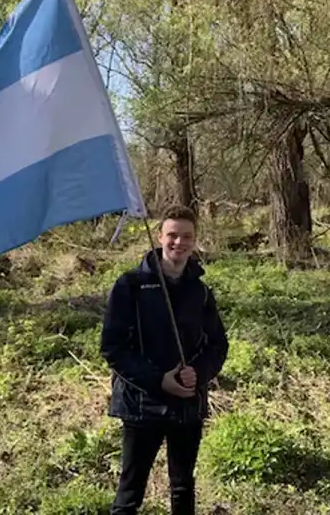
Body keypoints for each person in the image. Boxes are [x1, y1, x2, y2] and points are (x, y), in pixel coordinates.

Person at [100, 205, 230, 515]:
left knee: (183, 487)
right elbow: (113, 347)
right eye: (172, 235)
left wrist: (197, 374)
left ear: (195, 240)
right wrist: (159, 380)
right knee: (130, 493)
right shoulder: (130, 286)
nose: (179, 243)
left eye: (187, 236)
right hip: (141, 405)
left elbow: (217, 345)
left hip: (187, 406)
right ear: (160, 237)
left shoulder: (200, 292)